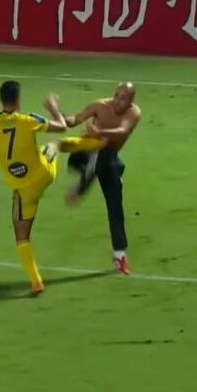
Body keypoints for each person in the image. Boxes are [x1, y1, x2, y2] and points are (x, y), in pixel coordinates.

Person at [0, 81, 68, 295]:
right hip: (44, 175)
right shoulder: (29, 120)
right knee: (51, 146)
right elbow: (62, 126)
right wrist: (52, 106)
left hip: (23, 190)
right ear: (19, 100)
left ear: (1, 100)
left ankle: (36, 282)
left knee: (22, 237)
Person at [55, 82, 141, 275]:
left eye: (125, 99)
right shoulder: (99, 106)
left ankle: (119, 254)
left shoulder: (133, 113)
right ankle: (81, 187)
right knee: (100, 151)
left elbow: (123, 131)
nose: (120, 101)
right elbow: (75, 120)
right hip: (84, 156)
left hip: (108, 160)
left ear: (131, 101)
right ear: (114, 95)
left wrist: (99, 132)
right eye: (118, 96)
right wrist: (58, 112)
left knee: (115, 203)